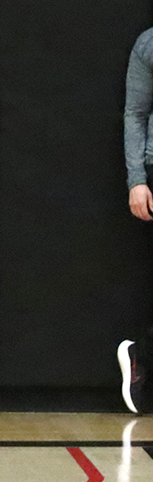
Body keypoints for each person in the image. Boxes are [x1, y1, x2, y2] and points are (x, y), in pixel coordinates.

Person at [117, 27, 153, 413]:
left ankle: (140, 353)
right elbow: (135, 113)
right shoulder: (149, 43)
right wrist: (137, 180)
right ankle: (139, 358)